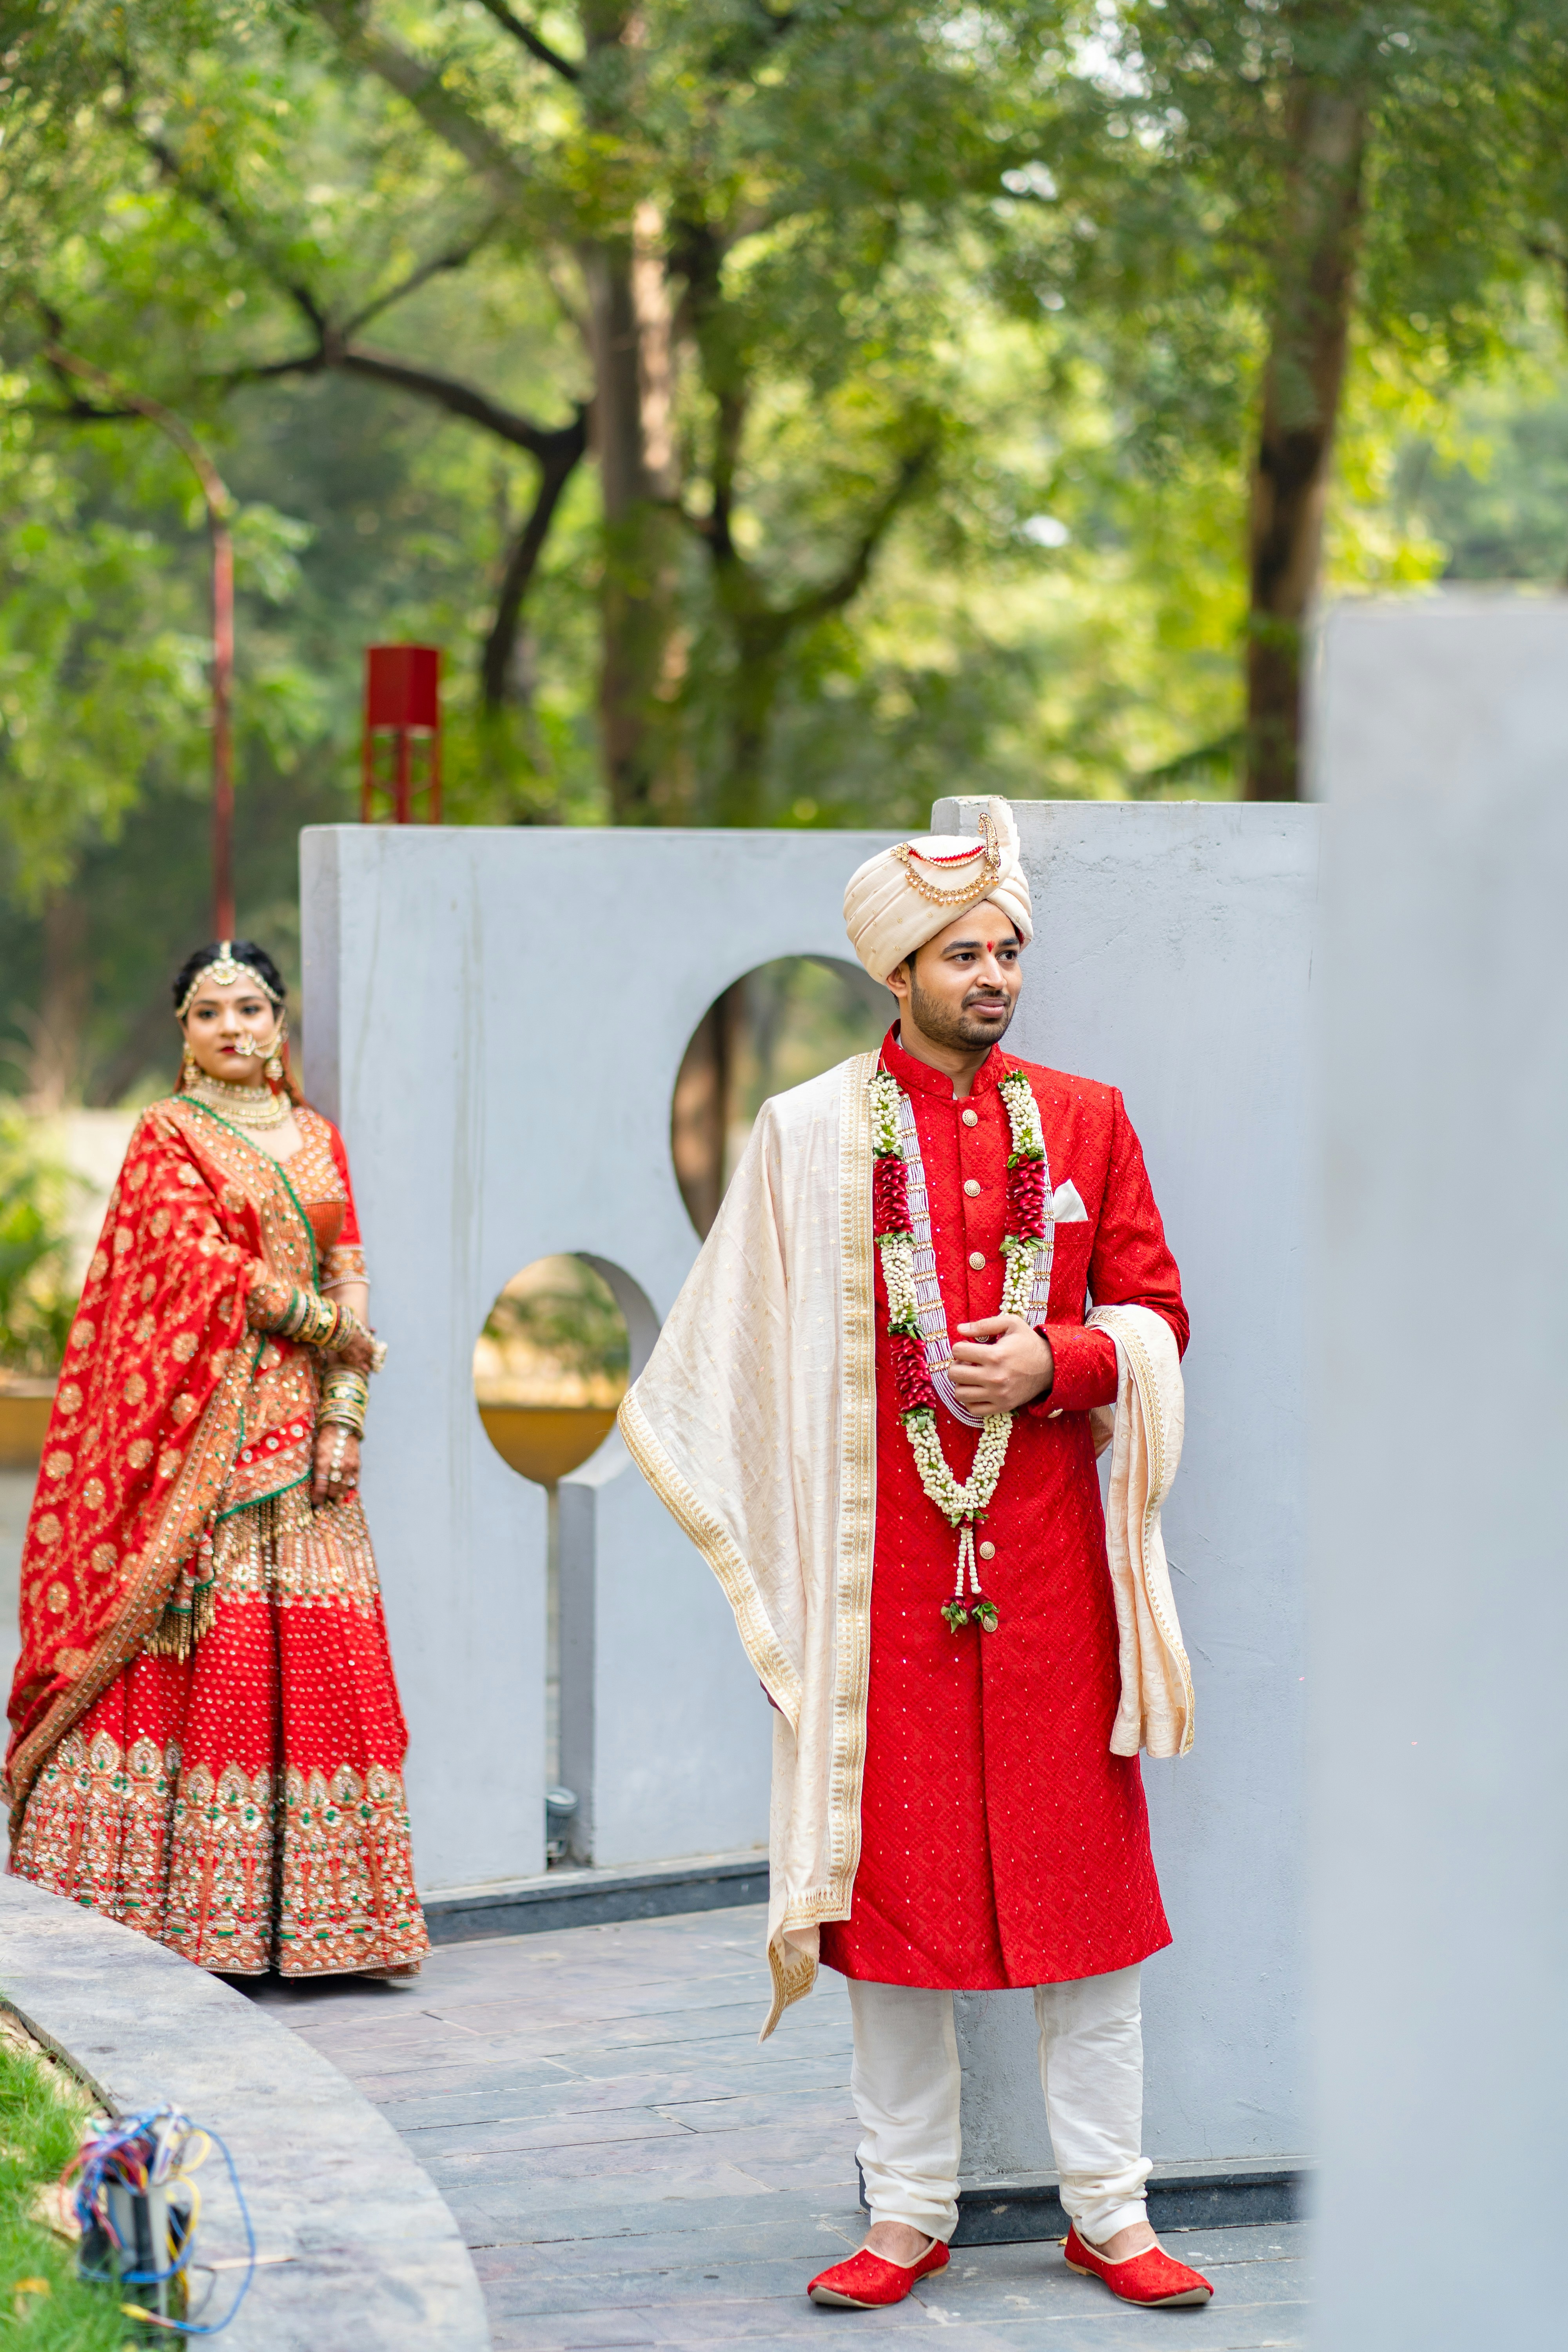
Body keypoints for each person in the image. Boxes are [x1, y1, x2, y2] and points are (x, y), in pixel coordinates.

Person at [619, 800, 1211, 2312]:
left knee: (1094, 1915)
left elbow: (1159, 1316)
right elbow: (732, 1351)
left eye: (1008, 950)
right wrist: (790, 1616)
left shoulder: (1085, 1121)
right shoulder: (809, 1132)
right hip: (878, 1590)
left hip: (1057, 1585)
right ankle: (907, 2219)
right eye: (964, 955)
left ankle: (1113, 2213)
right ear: (900, 971)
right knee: (890, 1921)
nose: (995, 976)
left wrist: (1064, 1361)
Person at [5, 941, 428, 1980]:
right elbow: (201, 1267)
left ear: (280, 1024)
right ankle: (170, 1906)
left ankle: (331, 1920)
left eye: (250, 1008)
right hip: (205, 1442)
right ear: (183, 1033)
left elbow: (354, 1268)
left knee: (323, 1650)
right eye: (209, 1013)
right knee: (202, 1655)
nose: (232, 1029)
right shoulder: (168, 1137)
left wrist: (347, 1412)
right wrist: (331, 1326)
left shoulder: (319, 1137)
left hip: (309, 1447)